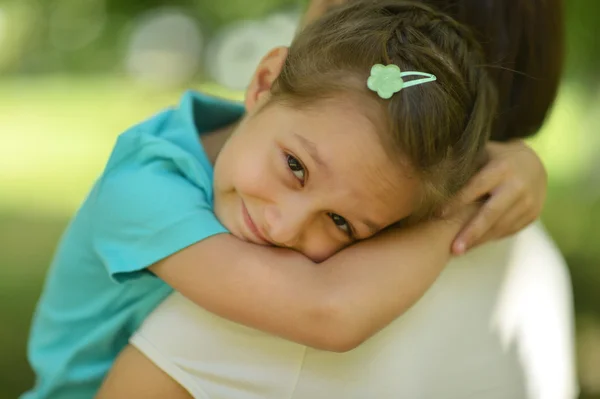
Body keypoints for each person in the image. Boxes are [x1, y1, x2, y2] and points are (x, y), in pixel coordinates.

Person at [22, 1, 506, 398]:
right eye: (295, 167)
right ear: (263, 81)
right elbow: (329, 312)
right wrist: (458, 213)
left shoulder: (287, 133)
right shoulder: (140, 191)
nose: (283, 229)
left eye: (340, 222)